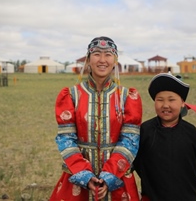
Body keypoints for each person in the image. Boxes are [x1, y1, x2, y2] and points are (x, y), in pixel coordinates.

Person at [50, 36, 143, 201]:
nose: (102, 60)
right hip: (79, 178)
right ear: (88, 60)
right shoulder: (71, 96)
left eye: (108, 54)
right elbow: (66, 138)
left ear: (115, 60)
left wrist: (110, 175)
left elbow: (130, 139)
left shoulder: (126, 97)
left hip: (118, 177)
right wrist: (85, 175)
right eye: (97, 54)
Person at [133, 73, 196, 201]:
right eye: (160, 100)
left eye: (171, 100)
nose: (165, 105)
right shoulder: (145, 131)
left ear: (182, 102)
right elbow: (137, 162)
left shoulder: (192, 134)